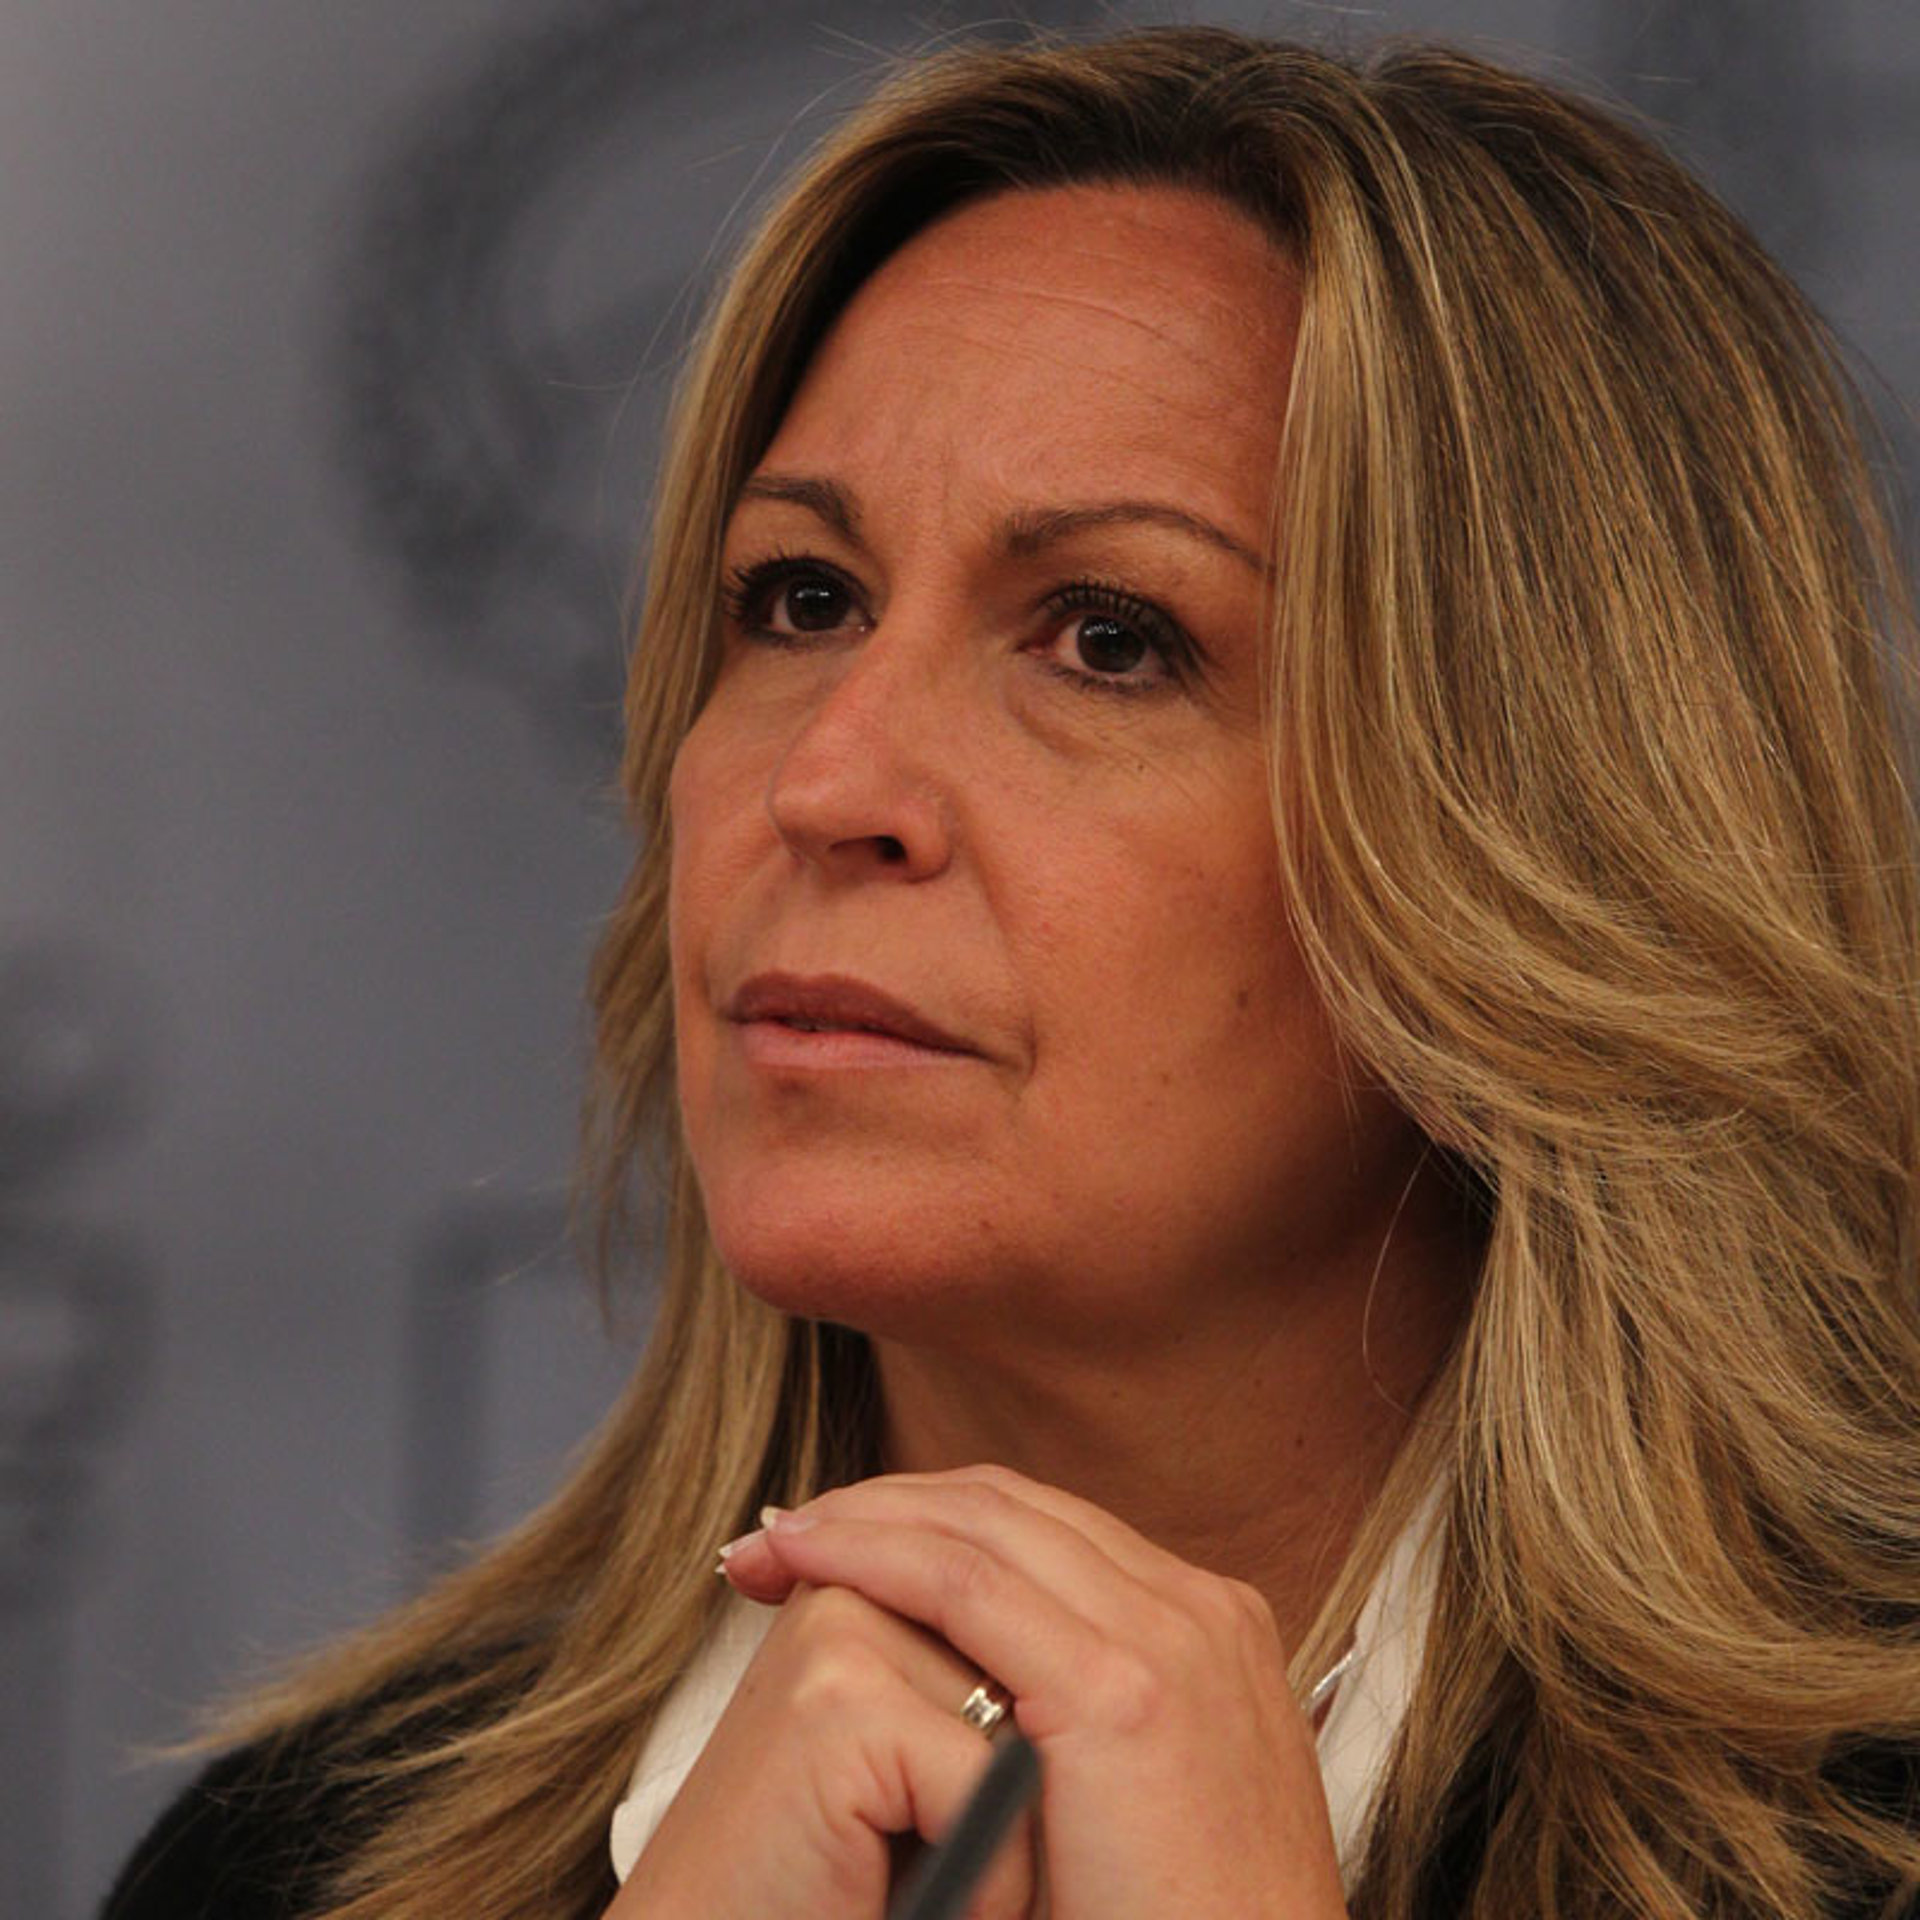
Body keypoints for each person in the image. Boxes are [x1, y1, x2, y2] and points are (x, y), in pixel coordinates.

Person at [103, 25, 1920, 1920]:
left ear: (1548, 840)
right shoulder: (287, 1870)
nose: (828, 784)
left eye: (1110, 639)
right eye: (801, 599)